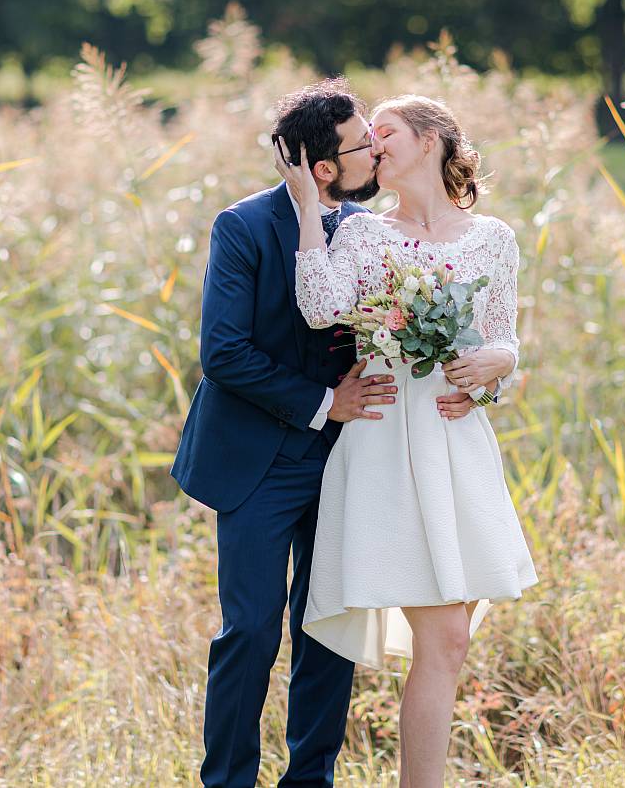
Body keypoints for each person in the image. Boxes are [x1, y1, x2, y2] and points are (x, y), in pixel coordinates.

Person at [274, 94, 539, 787]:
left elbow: (503, 340)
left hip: (456, 441)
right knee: (445, 637)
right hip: (387, 441)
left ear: (430, 140)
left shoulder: (494, 238)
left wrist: (497, 365)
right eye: (369, 137)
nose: (373, 145)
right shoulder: (364, 233)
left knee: (448, 645)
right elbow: (321, 307)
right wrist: (310, 207)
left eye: (385, 132)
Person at [170, 79, 398, 787]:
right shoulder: (241, 227)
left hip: (347, 459)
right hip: (257, 462)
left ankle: (310, 781)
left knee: (327, 627)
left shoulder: (374, 232)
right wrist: (324, 402)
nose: (378, 153)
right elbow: (224, 353)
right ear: (323, 167)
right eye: (364, 145)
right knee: (249, 629)